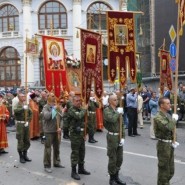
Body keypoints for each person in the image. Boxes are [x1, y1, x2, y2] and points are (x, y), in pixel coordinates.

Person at [154, 97, 179, 185]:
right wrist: (174, 120)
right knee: (163, 170)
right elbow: (167, 127)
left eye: (169, 103)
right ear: (162, 105)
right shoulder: (158, 117)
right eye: (167, 103)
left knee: (170, 170)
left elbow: (172, 130)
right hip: (163, 145)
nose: (170, 105)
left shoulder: (168, 115)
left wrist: (174, 140)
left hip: (169, 145)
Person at [103, 93, 126, 185]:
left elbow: (122, 125)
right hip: (112, 137)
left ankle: (117, 177)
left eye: (117, 99)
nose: (117, 101)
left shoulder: (117, 110)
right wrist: (118, 113)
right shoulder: (106, 110)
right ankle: (112, 179)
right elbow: (111, 119)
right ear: (110, 101)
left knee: (119, 159)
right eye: (115, 100)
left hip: (119, 136)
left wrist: (123, 137)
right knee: (113, 158)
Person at [68, 95, 90, 180]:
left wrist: (86, 133)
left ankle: (81, 168)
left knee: (82, 152)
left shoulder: (81, 109)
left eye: (79, 101)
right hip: (74, 135)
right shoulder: (71, 110)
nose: (78, 102)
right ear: (73, 102)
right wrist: (85, 109)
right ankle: (73, 171)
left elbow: (85, 122)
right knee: (75, 153)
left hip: (81, 134)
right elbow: (78, 116)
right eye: (76, 101)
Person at [42, 93, 65, 173]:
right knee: (48, 149)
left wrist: (60, 128)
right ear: (48, 98)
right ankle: (47, 165)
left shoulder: (57, 106)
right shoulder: (46, 107)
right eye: (52, 96)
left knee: (57, 148)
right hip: (48, 131)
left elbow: (62, 118)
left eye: (54, 96)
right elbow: (47, 117)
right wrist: (54, 109)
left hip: (57, 131)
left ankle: (56, 162)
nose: (53, 97)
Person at [14, 91, 32, 163]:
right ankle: (21, 156)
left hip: (26, 124)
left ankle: (25, 155)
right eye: (22, 96)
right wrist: (22, 109)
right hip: (20, 124)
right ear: (18, 97)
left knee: (27, 140)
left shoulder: (26, 104)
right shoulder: (17, 104)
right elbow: (15, 111)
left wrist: (28, 120)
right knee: (20, 140)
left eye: (24, 96)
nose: (23, 97)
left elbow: (31, 112)